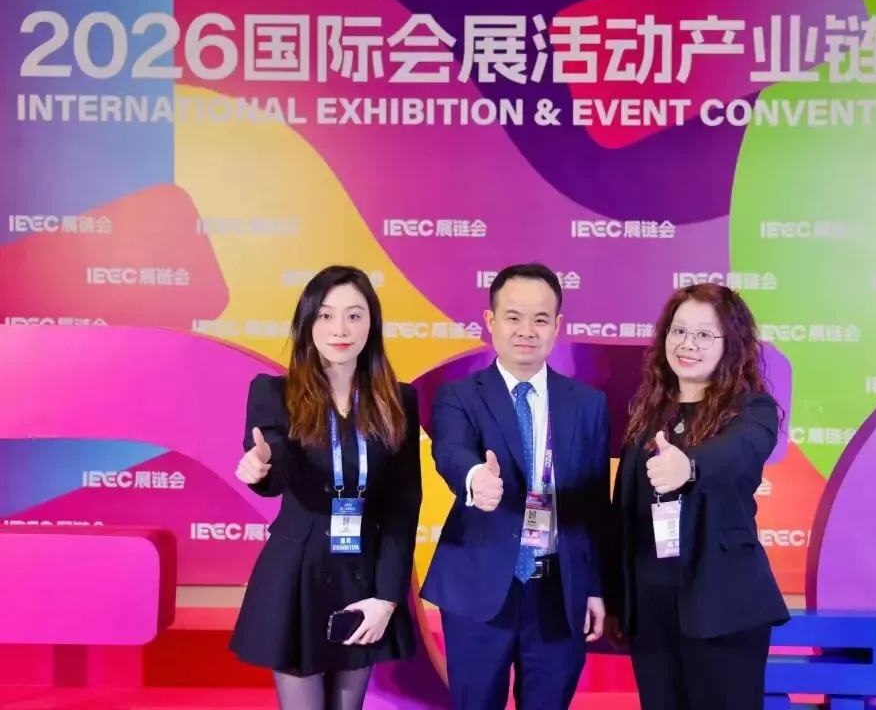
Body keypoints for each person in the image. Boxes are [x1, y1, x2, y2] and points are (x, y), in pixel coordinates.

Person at [420, 263, 612, 710]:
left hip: (558, 592)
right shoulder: (459, 395)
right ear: (490, 321)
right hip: (478, 588)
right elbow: (450, 451)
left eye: (540, 319)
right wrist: (474, 478)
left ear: (557, 326)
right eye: (513, 317)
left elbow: (596, 507)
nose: (527, 330)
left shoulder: (587, 404)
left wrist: (596, 587)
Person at [229, 265, 422, 710]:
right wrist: (262, 465)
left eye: (354, 316)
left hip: (364, 576)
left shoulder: (398, 400)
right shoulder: (275, 393)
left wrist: (388, 597)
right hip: (298, 574)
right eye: (326, 315)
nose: (340, 329)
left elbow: (403, 505)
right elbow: (276, 458)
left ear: (371, 324)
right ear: (308, 322)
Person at [603, 283, 790, 710]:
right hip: (651, 613)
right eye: (679, 331)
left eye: (705, 334)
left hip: (724, 608)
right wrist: (617, 602)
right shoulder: (646, 413)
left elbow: (738, 452)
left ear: (731, 344)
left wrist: (688, 468)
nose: (688, 344)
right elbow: (623, 518)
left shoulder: (752, 411)